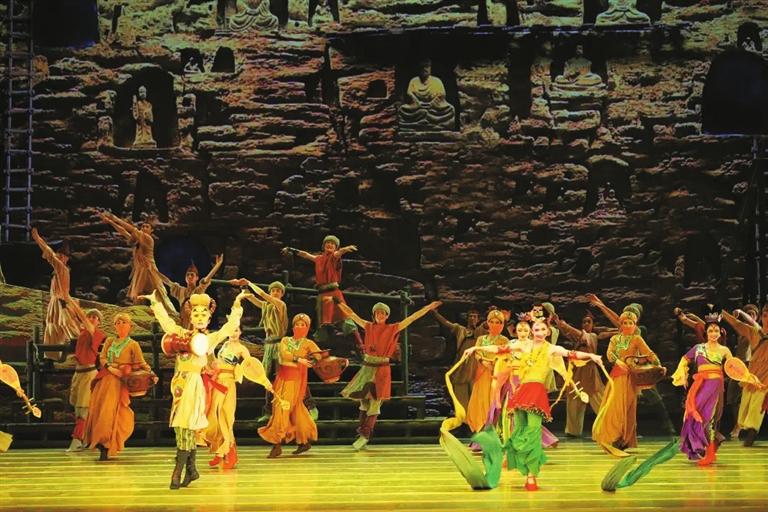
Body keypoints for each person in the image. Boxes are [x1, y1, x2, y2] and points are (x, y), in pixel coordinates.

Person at [466, 319, 602, 490]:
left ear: (547, 332)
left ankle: (531, 476)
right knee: (518, 431)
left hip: (536, 394)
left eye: (543, 329)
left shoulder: (552, 349)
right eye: (536, 329)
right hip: (521, 392)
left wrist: (591, 356)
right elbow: (500, 349)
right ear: (532, 331)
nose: (539, 332)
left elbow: (571, 354)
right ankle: (504, 460)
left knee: (533, 433)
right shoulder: (523, 346)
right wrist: (476, 349)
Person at [142, 289, 249, 489]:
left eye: (203, 315)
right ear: (190, 317)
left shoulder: (210, 339)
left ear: (209, 319)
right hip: (179, 383)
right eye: (196, 314)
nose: (199, 318)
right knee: (181, 427)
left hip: (194, 384)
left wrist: (237, 304)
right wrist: (155, 303)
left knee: (186, 425)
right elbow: (166, 323)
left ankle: (177, 473)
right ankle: (191, 469)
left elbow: (229, 327)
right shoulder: (182, 334)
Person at [337, 299, 442, 450]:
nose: (380, 315)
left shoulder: (393, 328)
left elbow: (412, 318)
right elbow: (352, 314)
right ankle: (361, 433)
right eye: (377, 313)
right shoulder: (368, 326)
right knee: (363, 402)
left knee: (375, 403)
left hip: (381, 369)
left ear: (387, 316)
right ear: (374, 315)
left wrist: (428, 307)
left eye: (383, 313)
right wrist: (338, 303)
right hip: (367, 367)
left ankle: (365, 435)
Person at [83, 312, 154, 461]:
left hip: (119, 383)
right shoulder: (110, 341)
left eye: (124, 322)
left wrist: (151, 373)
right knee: (99, 410)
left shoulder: (133, 344)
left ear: (130, 326)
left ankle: (108, 442)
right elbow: (102, 357)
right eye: (118, 323)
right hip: (104, 379)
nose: (121, 325)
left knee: (112, 412)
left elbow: (141, 363)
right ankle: (99, 441)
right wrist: (110, 367)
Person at [592, 310, 662, 455]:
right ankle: (610, 437)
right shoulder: (615, 339)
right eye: (625, 323)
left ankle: (622, 440)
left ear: (635, 325)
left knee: (627, 408)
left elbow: (649, 353)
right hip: (616, 376)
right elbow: (610, 354)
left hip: (630, 378)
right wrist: (618, 360)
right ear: (621, 324)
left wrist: (658, 364)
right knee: (613, 407)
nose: (628, 325)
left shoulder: (637, 339)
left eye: (631, 323)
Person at [205, 325, 273, 469]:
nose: (233, 333)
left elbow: (252, 367)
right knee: (216, 416)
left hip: (228, 384)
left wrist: (264, 381)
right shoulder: (224, 344)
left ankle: (229, 452)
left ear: (241, 332)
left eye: (236, 330)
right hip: (217, 382)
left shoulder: (242, 349)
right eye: (231, 330)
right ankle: (220, 451)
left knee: (226, 417)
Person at [258, 313, 324, 458]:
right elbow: (284, 355)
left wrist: (312, 360)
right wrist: (299, 359)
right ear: (293, 326)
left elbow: (320, 357)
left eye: (303, 325)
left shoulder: (308, 344)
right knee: (295, 409)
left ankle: (277, 444)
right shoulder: (285, 340)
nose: (299, 327)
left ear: (307, 327)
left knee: (282, 408)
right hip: (282, 378)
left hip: (294, 380)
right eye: (297, 324)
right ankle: (304, 440)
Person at [672, 307, 732, 465]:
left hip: (715, 386)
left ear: (720, 332)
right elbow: (684, 360)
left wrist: (747, 377)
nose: (713, 333)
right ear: (706, 332)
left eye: (716, 330)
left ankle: (709, 451)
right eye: (711, 330)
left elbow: (733, 367)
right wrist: (683, 374)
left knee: (709, 418)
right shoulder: (698, 349)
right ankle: (703, 445)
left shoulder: (725, 350)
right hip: (700, 385)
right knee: (693, 414)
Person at [282, 236, 361, 348]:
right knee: (323, 323)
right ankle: (321, 349)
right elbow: (305, 255)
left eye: (332, 244)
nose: (330, 245)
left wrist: (345, 249)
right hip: (323, 294)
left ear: (336, 247)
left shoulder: (334, 258)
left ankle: (361, 345)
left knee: (345, 318)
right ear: (323, 246)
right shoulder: (319, 259)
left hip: (334, 293)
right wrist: (291, 249)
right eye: (327, 243)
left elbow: (338, 253)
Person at [230, 278, 289, 423]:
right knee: (266, 378)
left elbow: (262, 294)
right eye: (273, 290)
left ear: (282, 294)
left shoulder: (280, 305)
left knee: (284, 376)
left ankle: (296, 407)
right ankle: (268, 410)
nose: (275, 293)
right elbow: (256, 300)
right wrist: (244, 290)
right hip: (269, 346)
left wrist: (249, 283)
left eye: (278, 291)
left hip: (279, 346)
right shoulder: (267, 306)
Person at [100, 211, 176, 314]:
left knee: (158, 293)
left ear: (151, 231)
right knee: (138, 295)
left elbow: (130, 228)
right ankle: (138, 314)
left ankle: (170, 313)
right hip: (140, 270)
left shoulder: (148, 239)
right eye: (143, 226)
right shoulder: (138, 242)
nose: (144, 228)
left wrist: (114, 218)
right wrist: (110, 222)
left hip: (149, 270)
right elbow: (123, 231)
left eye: (147, 227)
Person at [554, 311, 606, 438]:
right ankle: (573, 430)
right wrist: (559, 324)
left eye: (589, 322)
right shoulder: (577, 338)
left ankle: (612, 427)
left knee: (600, 401)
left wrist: (564, 325)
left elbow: (577, 334)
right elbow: (570, 333)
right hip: (577, 372)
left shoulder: (592, 336)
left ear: (593, 324)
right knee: (573, 399)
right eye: (584, 322)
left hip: (590, 373)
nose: (586, 324)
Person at [721, 304, 768, 447]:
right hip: (752, 377)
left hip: (765, 381)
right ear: (762, 317)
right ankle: (747, 435)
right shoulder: (755, 332)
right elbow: (737, 323)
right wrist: (722, 312)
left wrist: (741, 312)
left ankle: (750, 438)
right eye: (765, 316)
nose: (767, 319)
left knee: (756, 410)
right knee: (745, 410)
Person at [31, 228, 80, 361]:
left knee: (64, 324)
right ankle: (51, 356)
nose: (59, 257)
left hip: (60, 301)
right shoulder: (60, 270)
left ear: (65, 258)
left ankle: (79, 346)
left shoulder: (61, 268)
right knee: (52, 326)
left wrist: (38, 239)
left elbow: (49, 254)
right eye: (59, 255)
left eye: (61, 256)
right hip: (57, 301)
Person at [65, 300, 106, 452]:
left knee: (84, 410)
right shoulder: (82, 334)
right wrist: (66, 305)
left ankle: (78, 440)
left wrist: (69, 299)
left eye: (96, 317)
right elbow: (73, 320)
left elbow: (81, 317)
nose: (93, 318)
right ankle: (87, 440)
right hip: (79, 374)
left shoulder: (96, 334)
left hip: (88, 374)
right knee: (78, 409)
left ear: (99, 322)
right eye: (91, 316)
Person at [465, 310, 510, 434]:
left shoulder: (504, 340)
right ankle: (480, 427)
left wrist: (495, 364)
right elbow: (477, 353)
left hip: (497, 374)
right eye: (492, 322)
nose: (495, 325)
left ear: (502, 325)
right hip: (482, 373)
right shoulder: (481, 339)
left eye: (498, 322)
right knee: (480, 399)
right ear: (488, 323)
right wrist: (483, 361)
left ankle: (494, 427)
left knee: (494, 399)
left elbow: (506, 356)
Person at [431, 307, 483, 411]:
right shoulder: (460, 330)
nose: (472, 318)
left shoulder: (481, 331)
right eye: (470, 316)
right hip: (462, 363)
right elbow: (446, 323)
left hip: (475, 364)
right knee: (460, 388)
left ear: (478, 319)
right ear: (467, 318)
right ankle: (462, 412)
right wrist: (435, 313)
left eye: (474, 317)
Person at [162, 256, 224, 328]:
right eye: (187, 275)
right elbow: (167, 281)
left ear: (197, 278)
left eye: (192, 274)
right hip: (183, 323)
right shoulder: (180, 290)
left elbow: (207, 279)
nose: (189, 276)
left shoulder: (198, 291)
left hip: (196, 323)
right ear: (185, 278)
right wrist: (153, 270)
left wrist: (217, 265)